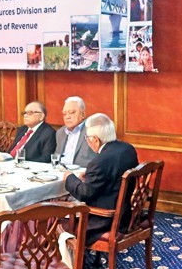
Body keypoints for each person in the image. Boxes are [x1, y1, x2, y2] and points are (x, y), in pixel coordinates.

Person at [63, 113, 139, 246]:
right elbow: (113, 173)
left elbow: (84, 193)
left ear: (95, 139)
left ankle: (71, 264)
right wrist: (91, 175)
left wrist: (69, 177)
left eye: (87, 138)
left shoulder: (99, 162)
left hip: (106, 220)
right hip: (128, 213)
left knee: (56, 222)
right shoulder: (127, 148)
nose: (87, 141)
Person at [54, 96, 96, 168]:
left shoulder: (92, 130)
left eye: (71, 113)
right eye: (64, 114)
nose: (67, 117)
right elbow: (56, 157)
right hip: (61, 172)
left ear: (83, 115)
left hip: (83, 174)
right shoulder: (60, 132)